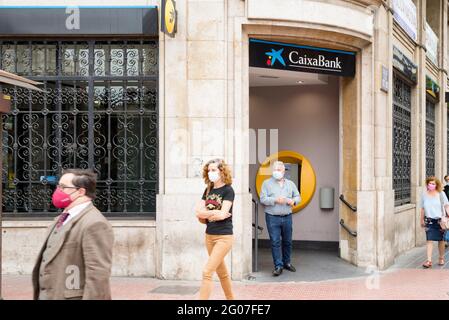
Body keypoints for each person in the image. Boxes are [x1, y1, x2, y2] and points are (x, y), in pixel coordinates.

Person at [32, 169, 114, 300]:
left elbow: (98, 276)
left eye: (63, 187)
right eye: (58, 186)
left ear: (81, 192)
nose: (58, 191)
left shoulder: (95, 223)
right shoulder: (61, 218)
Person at [195, 158, 235, 300]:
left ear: (221, 171)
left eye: (213, 170)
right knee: (222, 273)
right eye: (209, 170)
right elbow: (198, 212)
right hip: (209, 236)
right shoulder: (208, 190)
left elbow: (224, 214)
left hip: (224, 237)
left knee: (207, 272)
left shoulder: (228, 190)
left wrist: (212, 214)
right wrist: (214, 214)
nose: (210, 173)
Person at [260, 161, 301, 276]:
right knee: (275, 242)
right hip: (272, 217)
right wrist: (275, 200)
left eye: (279, 170)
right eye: (275, 170)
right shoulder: (266, 183)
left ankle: (287, 263)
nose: (276, 172)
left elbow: (298, 196)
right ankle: (278, 265)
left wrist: (293, 201)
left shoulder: (290, 184)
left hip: (287, 217)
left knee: (287, 241)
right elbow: (263, 199)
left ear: (284, 171)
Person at [420, 176, 449, 268]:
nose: (431, 185)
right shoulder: (424, 195)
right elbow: (422, 208)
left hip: (440, 221)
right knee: (429, 240)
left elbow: (446, 206)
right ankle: (429, 261)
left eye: (433, 183)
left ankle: (441, 257)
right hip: (429, 221)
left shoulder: (441, 194)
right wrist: (421, 219)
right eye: (429, 183)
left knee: (441, 240)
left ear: (436, 185)